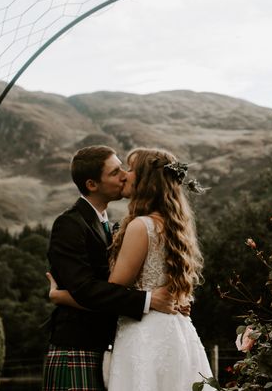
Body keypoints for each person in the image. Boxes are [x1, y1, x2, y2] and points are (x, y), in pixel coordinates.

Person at [49, 147, 214, 391]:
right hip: (80, 343)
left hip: (132, 340)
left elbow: (116, 284)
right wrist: (149, 300)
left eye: (128, 170)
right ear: (92, 184)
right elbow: (86, 288)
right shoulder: (70, 224)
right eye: (117, 172)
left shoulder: (129, 226)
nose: (125, 175)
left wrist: (58, 295)